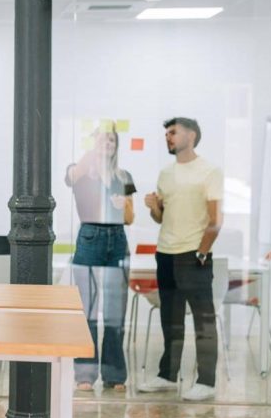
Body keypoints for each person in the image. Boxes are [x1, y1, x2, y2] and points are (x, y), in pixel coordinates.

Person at [139, 117, 223, 402]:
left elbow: (215, 220)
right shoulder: (165, 173)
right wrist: (154, 207)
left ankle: (208, 381)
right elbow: (160, 217)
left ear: (192, 135)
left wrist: (201, 252)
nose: (168, 137)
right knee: (170, 320)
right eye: (166, 133)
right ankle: (167, 375)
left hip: (193, 256)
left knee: (203, 322)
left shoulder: (209, 171)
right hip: (165, 254)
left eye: (173, 132)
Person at [65, 125, 135, 391]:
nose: (108, 142)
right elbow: (72, 177)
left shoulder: (124, 175)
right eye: (103, 138)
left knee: (116, 313)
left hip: (117, 240)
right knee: (88, 311)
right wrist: (93, 150)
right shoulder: (81, 170)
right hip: (90, 238)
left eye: (113, 139)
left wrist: (123, 207)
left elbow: (130, 218)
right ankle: (85, 374)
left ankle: (114, 374)